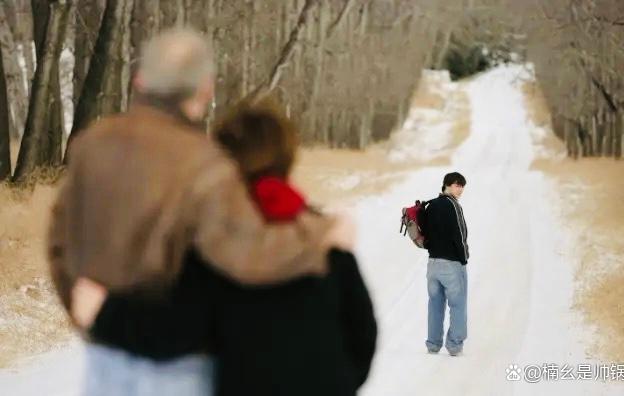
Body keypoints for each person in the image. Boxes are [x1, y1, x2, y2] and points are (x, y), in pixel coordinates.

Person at [48, 29, 351, 395]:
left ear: (140, 80)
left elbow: (58, 243)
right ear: (204, 89)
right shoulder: (205, 163)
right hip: (179, 364)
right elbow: (246, 252)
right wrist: (321, 236)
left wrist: (87, 316)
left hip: (104, 358)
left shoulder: (90, 145)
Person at [77, 99, 377, 396]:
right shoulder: (324, 241)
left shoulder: (215, 246)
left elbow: (168, 332)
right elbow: (363, 337)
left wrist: (101, 311)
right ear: (287, 159)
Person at [418, 172, 469, 356]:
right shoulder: (453, 206)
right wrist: (463, 260)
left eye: (462, 186)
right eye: (457, 185)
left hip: (433, 264)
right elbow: (460, 235)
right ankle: (454, 346)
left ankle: (433, 344)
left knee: (435, 304)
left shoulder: (430, 205)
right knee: (458, 305)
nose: (460, 189)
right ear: (446, 185)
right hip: (451, 264)